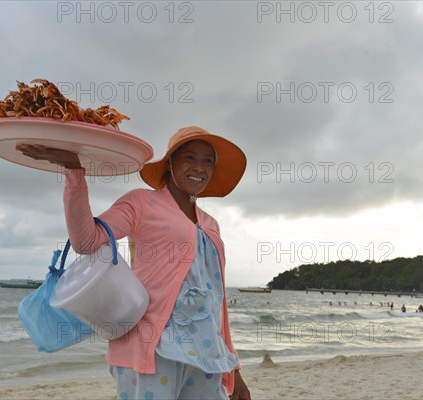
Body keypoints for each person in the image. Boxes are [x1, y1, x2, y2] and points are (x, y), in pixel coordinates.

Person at [17, 126, 251, 400]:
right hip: (151, 348)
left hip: (206, 354)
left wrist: (233, 366)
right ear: (171, 163)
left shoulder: (211, 225)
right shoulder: (142, 202)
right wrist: (74, 172)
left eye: (207, 161)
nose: (199, 166)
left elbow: (217, 302)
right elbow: (86, 241)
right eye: (189, 157)